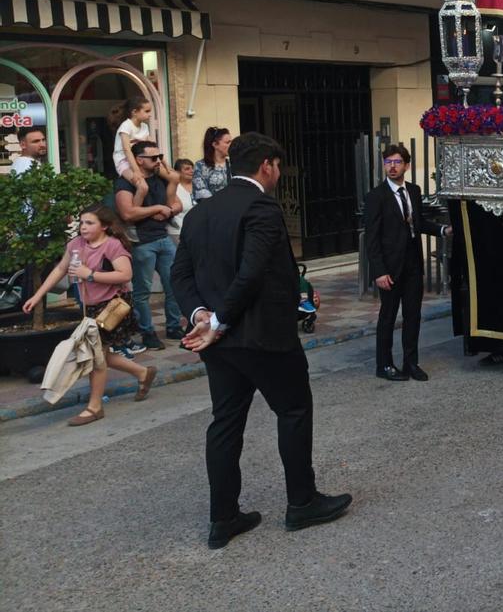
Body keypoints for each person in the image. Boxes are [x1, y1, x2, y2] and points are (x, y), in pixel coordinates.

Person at [172, 132, 351, 550]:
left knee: (225, 424)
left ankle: (223, 518)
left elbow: (180, 275)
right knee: (292, 411)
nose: (278, 175)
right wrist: (215, 319)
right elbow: (250, 274)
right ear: (268, 165)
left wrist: (201, 315)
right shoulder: (263, 209)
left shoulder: (201, 212)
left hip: (219, 344)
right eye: (278, 168)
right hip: (264, 337)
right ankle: (302, 503)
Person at [23, 206, 156, 424]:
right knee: (98, 352)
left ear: (104, 226)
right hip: (90, 307)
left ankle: (95, 407)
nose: (84, 227)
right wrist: (37, 296)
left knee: (95, 355)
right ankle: (142, 373)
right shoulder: (75, 245)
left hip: (112, 307)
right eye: (82, 223)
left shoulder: (112, 245)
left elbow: (125, 274)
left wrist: (90, 275)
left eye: (90, 223)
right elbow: (60, 270)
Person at [363, 144, 450, 382]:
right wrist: (379, 271)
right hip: (390, 268)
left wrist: (443, 229)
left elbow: (419, 223)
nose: (392, 167)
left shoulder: (413, 190)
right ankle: (385, 364)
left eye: (397, 162)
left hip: (412, 264)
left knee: (413, 315)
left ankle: (411, 362)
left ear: (407, 166)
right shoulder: (376, 197)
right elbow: (371, 239)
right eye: (388, 162)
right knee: (388, 317)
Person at [115, 141, 183, 348]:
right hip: (141, 242)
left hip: (163, 238)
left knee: (174, 284)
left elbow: (177, 204)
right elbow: (128, 213)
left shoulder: (160, 179)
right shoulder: (126, 183)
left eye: (160, 157)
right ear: (139, 160)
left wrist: (169, 210)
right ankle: (147, 332)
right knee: (142, 291)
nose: (158, 161)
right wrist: (157, 208)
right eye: (153, 158)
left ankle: (173, 326)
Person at [109, 96, 153, 186]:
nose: (150, 114)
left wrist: (165, 165)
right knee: (142, 186)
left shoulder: (144, 126)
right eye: (147, 111)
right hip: (123, 160)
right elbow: (126, 150)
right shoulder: (126, 126)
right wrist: (136, 170)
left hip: (138, 159)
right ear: (134, 112)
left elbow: (151, 146)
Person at [193, 127, 232, 202]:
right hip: (213, 210)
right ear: (215, 145)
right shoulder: (200, 166)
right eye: (227, 142)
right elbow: (201, 193)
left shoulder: (234, 163)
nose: (231, 145)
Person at [168, 158, 196, 245]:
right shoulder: (174, 188)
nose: (192, 171)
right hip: (178, 232)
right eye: (187, 169)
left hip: (197, 231)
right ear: (178, 172)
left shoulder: (199, 186)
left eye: (192, 168)